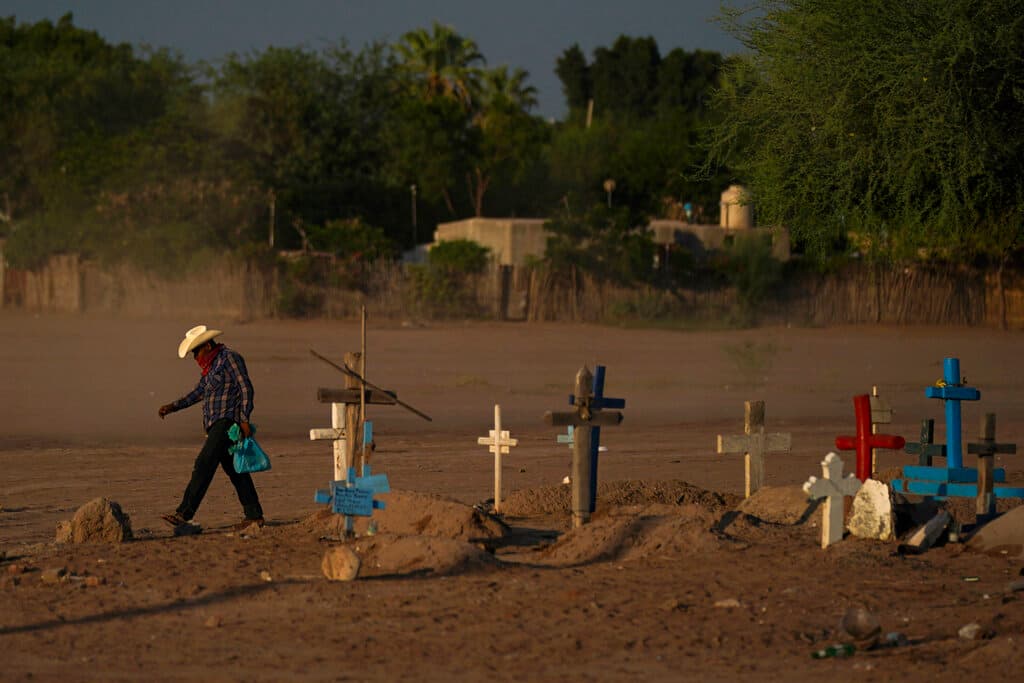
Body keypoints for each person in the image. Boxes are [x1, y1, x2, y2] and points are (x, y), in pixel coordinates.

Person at [158, 325, 265, 531]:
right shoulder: (210, 369)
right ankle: (254, 515)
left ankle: (184, 513)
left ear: (207, 345)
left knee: (204, 463)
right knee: (235, 471)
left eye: (196, 351)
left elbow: (246, 388)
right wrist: (173, 407)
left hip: (227, 422)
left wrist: (244, 419)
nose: (195, 357)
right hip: (216, 424)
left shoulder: (229, 358)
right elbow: (197, 393)